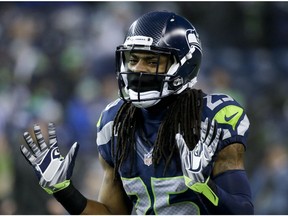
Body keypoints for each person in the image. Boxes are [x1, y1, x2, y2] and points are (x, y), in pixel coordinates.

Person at [20, 11, 254, 215]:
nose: (138, 69)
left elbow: (243, 212)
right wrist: (64, 191)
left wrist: (204, 186)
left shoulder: (211, 117)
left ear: (185, 65)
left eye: (152, 61)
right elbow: (112, 214)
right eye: (134, 59)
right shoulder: (115, 123)